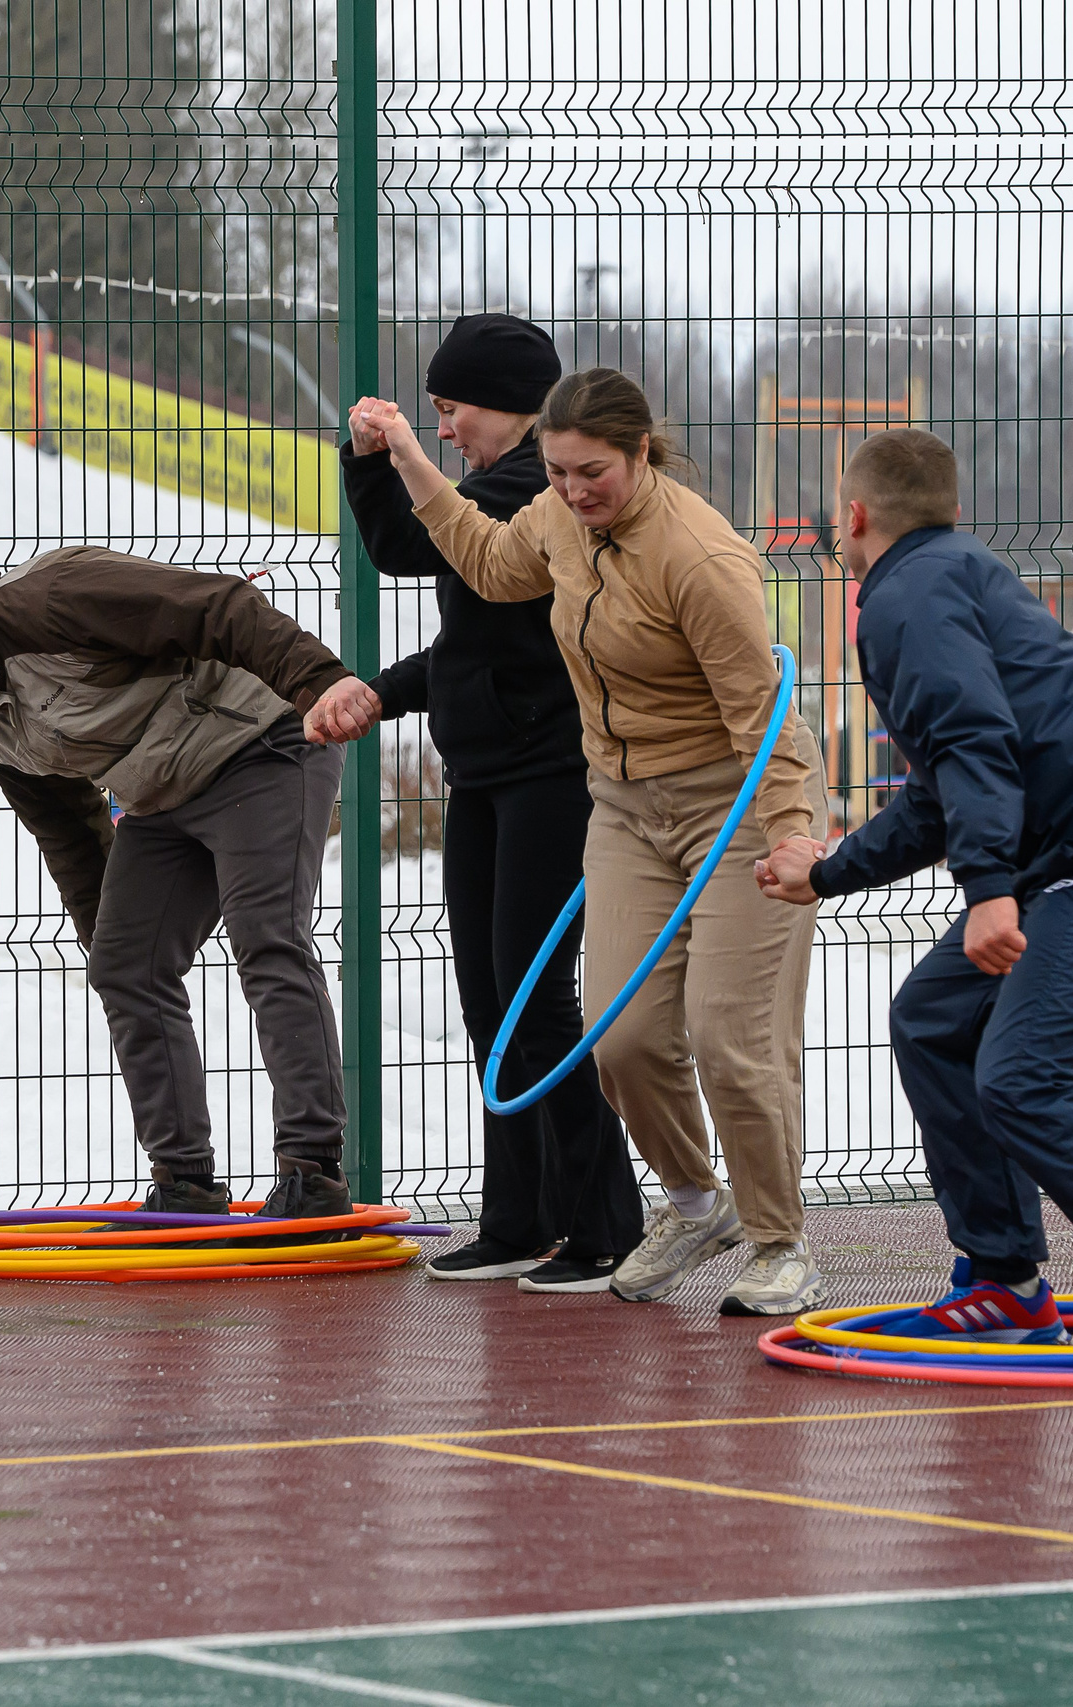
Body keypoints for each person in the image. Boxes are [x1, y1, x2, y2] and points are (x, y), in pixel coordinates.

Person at [330, 368, 833, 1316]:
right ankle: (694, 1202)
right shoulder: (558, 520)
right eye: (556, 472)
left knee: (731, 1035)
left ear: (642, 452)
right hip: (625, 807)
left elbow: (763, 715)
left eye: (591, 471)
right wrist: (404, 458)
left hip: (734, 806)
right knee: (622, 1035)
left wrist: (795, 837)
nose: (571, 491)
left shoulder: (697, 557)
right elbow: (484, 559)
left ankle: (780, 1241)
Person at [754, 428, 1073, 1348]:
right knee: (933, 1019)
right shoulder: (945, 574)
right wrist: (828, 868)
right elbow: (946, 787)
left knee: (1025, 1077)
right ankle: (1006, 1278)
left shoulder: (902, 597)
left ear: (854, 514)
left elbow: (974, 743)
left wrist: (989, 891)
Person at [0, 547, 374, 1222]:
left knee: (266, 939)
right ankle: (186, 1184)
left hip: (259, 741)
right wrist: (114, 941)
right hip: (160, 792)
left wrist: (318, 681)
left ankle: (312, 1173)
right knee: (126, 968)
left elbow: (217, 607)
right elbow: (66, 826)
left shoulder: (51, 599)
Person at [338, 314, 641, 1292]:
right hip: (484, 775)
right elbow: (412, 562)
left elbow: (444, 545)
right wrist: (380, 690)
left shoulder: (537, 497)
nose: (447, 425)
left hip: (556, 776)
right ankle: (518, 1217)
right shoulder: (478, 496)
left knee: (535, 998)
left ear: (504, 405)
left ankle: (604, 1225)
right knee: (490, 1003)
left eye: (452, 407)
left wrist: (409, 459)